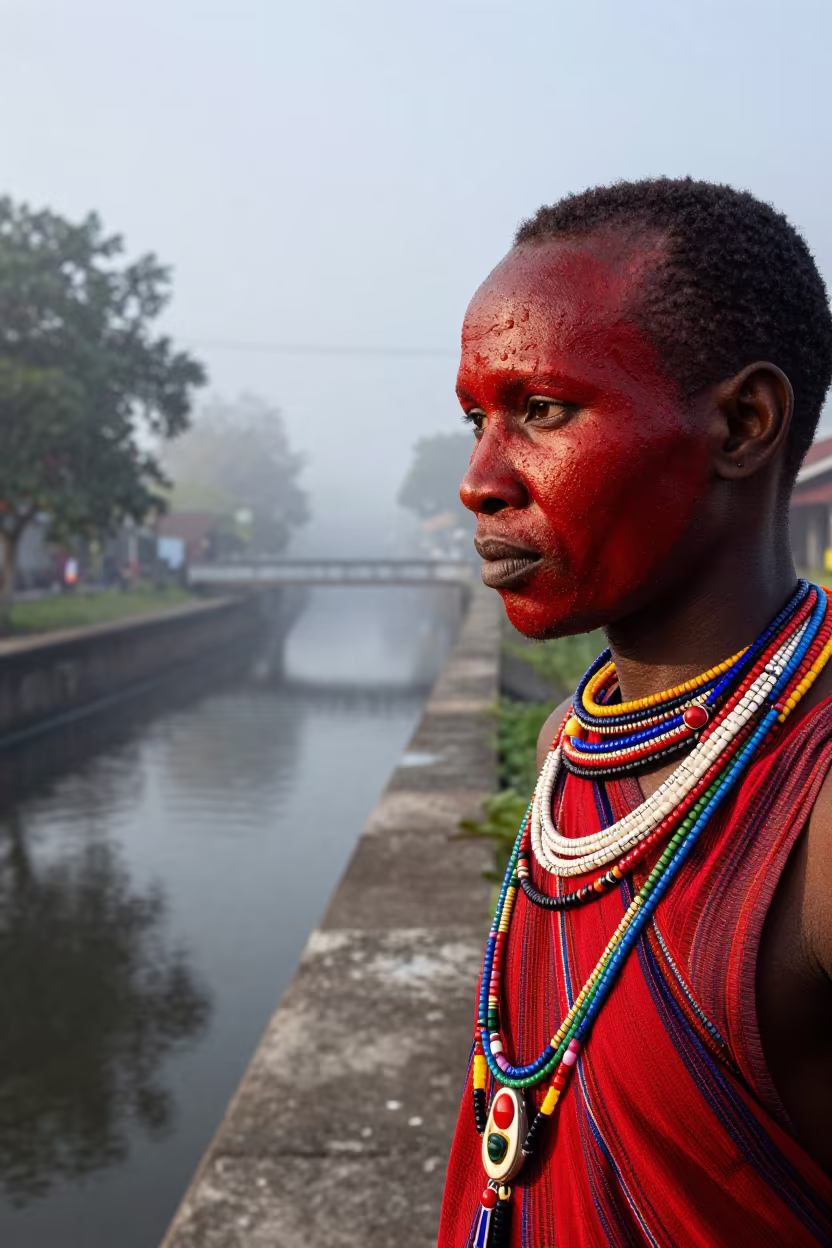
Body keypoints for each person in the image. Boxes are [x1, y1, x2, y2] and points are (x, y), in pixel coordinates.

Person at [439, 178, 832, 1247]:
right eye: (478, 418)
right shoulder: (581, 737)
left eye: (543, 411)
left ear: (744, 423)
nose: (480, 479)